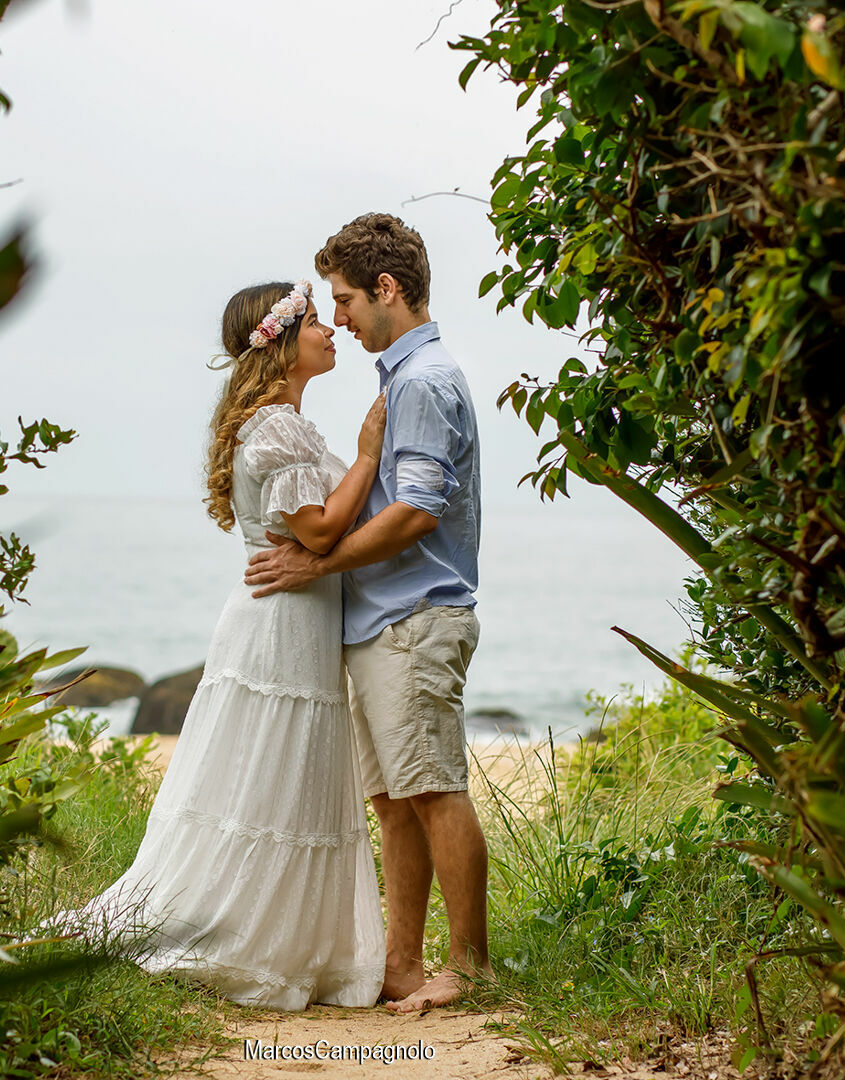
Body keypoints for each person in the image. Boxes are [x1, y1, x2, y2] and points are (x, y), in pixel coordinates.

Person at [43, 279, 389, 1011]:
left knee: (285, 778)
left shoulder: (281, 425)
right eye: (317, 323)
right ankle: (249, 938)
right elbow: (321, 532)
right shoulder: (277, 428)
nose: (332, 332)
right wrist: (365, 456)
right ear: (282, 341)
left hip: (292, 619)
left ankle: (293, 942)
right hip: (281, 624)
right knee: (271, 775)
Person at [245, 213, 489, 1014]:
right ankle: (402, 964)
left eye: (346, 299)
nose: (339, 317)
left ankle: (470, 966)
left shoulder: (420, 380)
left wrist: (318, 562)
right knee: (393, 802)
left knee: (432, 789)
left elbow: (417, 509)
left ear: (388, 289)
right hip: (381, 619)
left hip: (414, 614)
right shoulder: (400, 377)